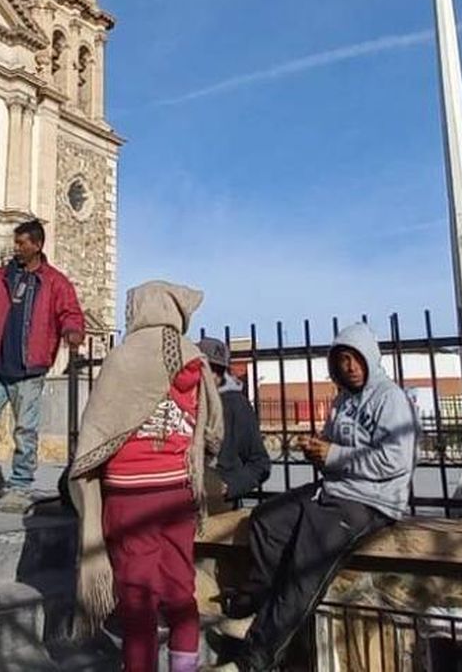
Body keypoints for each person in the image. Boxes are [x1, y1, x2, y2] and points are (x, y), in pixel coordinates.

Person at [210, 322, 418, 672]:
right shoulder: (343, 400)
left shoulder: (389, 399)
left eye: (355, 359)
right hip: (336, 488)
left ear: (369, 358)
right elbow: (337, 445)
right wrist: (317, 448)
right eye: (342, 360)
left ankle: (255, 659)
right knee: (265, 523)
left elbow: (395, 460)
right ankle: (259, 602)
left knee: (303, 568)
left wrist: (333, 454)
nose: (349, 367)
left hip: (370, 500)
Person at [68, 281, 223, 672]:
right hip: (178, 492)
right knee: (179, 587)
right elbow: (214, 428)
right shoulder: (193, 358)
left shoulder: (123, 358)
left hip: (129, 496)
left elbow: (98, 426)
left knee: (137, 597)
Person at [0, 220, 85, 510]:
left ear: (37, 245)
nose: (17, 247)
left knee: (26, 431)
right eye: (16, 242)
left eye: (22, 243)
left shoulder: (55, 282)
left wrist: (73, 331)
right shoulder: (0, 276)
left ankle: (21, 484)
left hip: (29, 371)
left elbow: (70, 312)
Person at [196, 338, 271, 510]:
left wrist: (229, 486)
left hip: (217, 500)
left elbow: (260, 463)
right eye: (205, 369)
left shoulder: (236, 405)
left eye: (218, 370)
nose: (212, 376)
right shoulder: (183, 401)